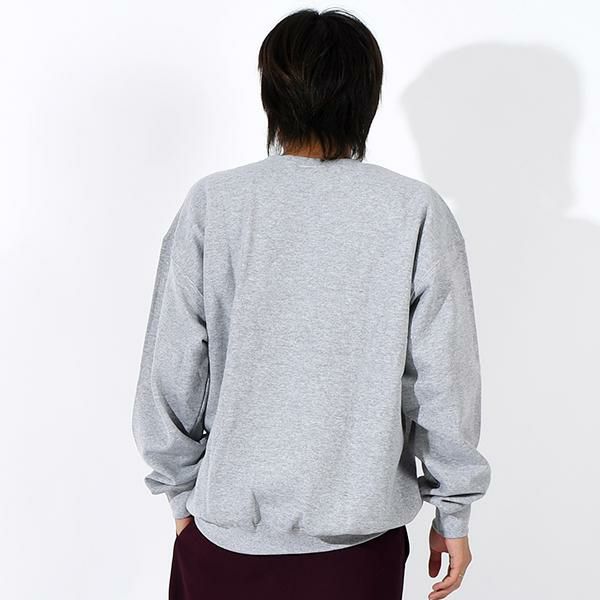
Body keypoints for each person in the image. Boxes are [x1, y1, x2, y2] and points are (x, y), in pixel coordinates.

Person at [131, 7, 491, 600]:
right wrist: (453, 512)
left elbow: (171, 371)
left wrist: (179, 493)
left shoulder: (215, 204)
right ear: (366, 98)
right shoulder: (413, 211)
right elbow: (443, 383)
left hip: (224, 542)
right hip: (358, 552)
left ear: (271, 93)